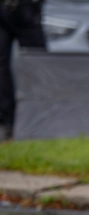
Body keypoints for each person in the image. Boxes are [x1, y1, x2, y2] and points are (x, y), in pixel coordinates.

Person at [0, 0, 46, 141]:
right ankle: (39, 121)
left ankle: (6, 123)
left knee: (36, 65)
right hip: (25, 8)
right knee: (37, 65)